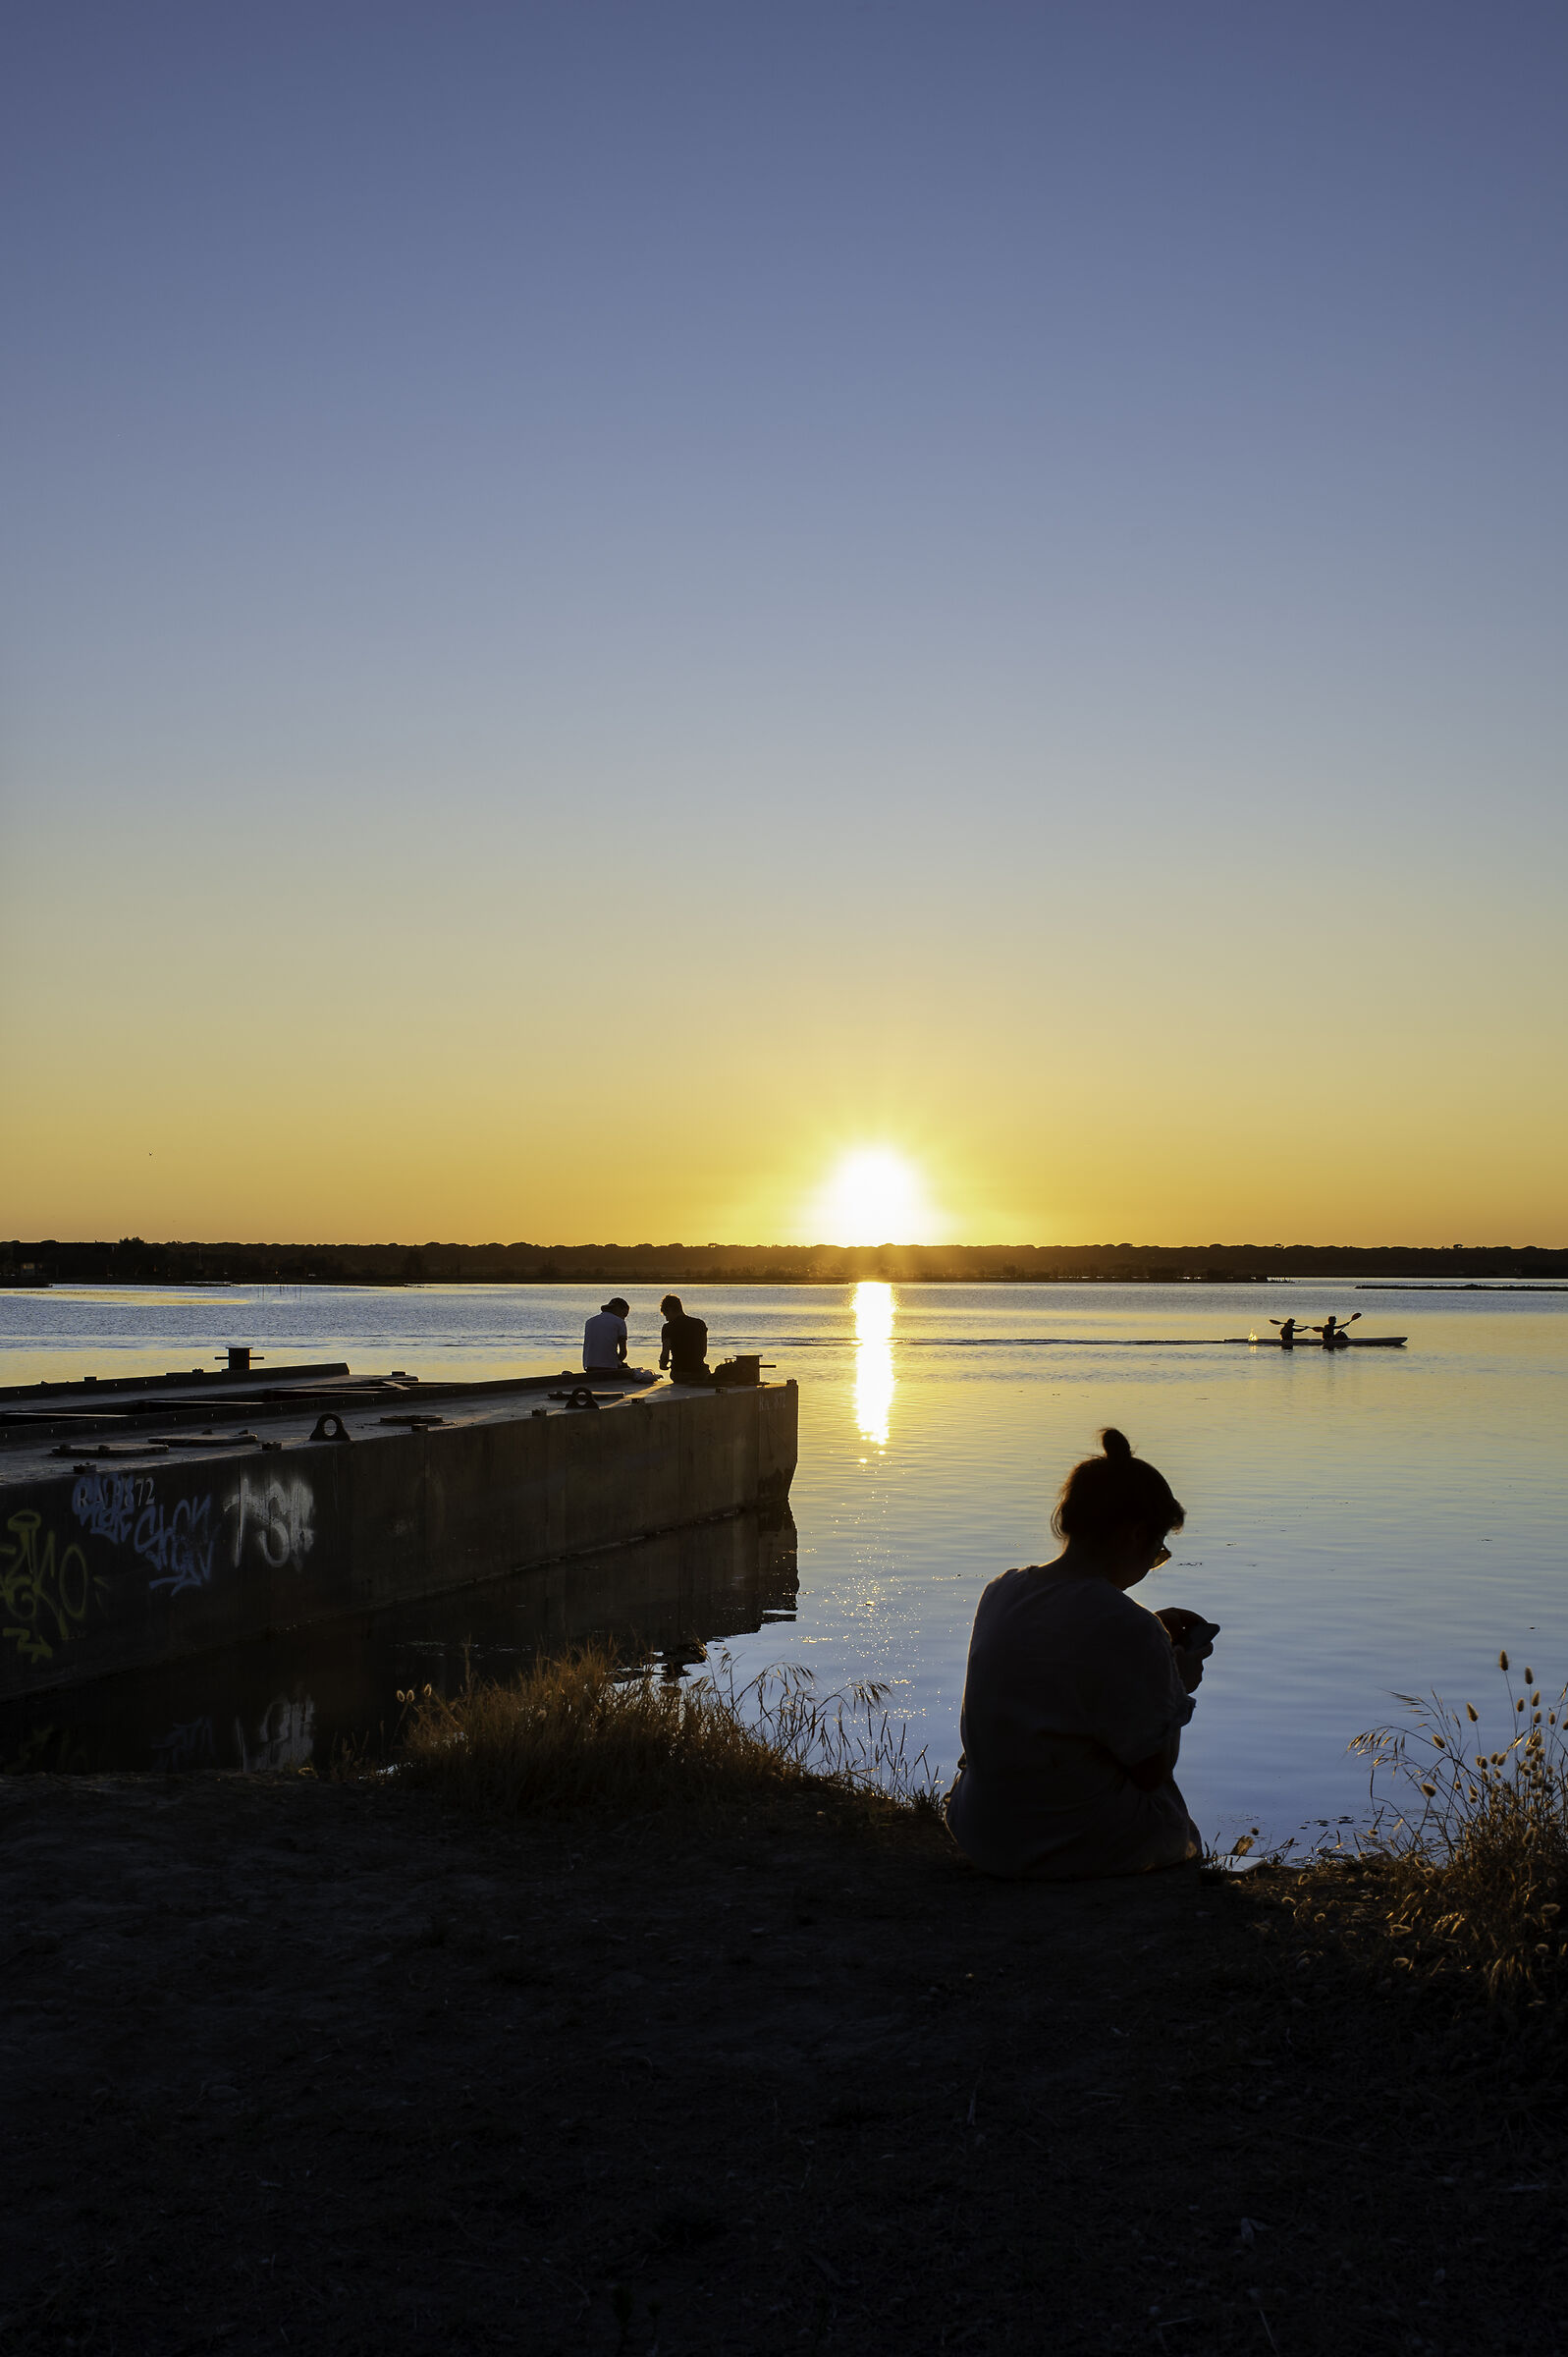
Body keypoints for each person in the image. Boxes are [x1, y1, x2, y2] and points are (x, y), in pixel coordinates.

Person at [944, 1428, 1208, 1881]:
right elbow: (1152, 1771)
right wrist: (1175, 1684)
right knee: (1169, 1816)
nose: (1151, 1564)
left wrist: (1150, 1646)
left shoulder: (1002, 1591)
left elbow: (1065, 1648)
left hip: (984, 1832)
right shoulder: (1130, 1627)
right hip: (1066, 1845)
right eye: (1157, 1552)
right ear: (1135, 1535)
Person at [658, 1293, 709, 1382]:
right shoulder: (700, 1324)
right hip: (701, 1373)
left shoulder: (668, 1327)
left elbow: (665, 1353)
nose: (666, 1319)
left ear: (670, 1310)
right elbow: (703, 1351)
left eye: (666, 1315)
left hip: (680, 1374)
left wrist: (662, 1364)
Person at [582, 1297, 630, 1374]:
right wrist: (618, 1361)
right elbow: (623, 1352)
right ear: (618, 1309)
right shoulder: (620, 1322)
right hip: (609, 1367)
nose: (624, 1318)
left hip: (589, 1365)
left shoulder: (589, 1321)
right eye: (624, 1314)